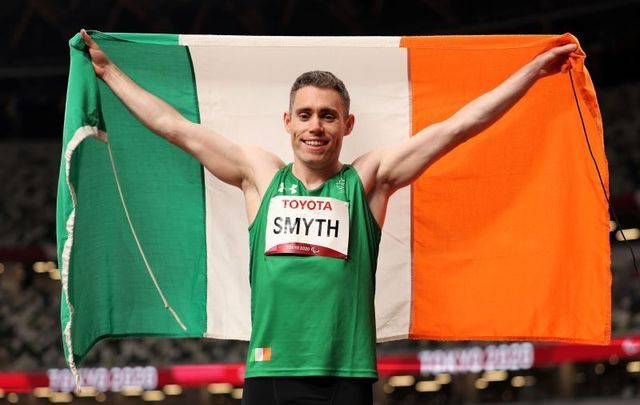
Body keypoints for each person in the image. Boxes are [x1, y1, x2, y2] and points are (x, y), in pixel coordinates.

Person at [80, 29, 576, 405]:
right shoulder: (259, 177)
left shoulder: (367, 181)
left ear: (346, 125)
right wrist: (108, 71)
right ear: (288, 122)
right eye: (306, 114)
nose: (315, 126)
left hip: (346, 377)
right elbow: (176, 128)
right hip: (270, 376)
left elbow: (457, 128)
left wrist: (531, 72)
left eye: (328, 115)